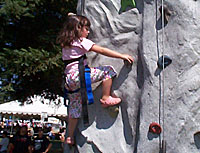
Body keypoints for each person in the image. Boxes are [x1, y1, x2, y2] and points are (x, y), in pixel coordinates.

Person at [56, 14, 134, 145]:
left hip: (69, 80)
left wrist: (72, 16)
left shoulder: (66, 43)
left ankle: (70, 136)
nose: (88, 31)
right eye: (86, 28)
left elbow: (71, 21)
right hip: (79, 76)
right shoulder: (81, 42)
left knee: (75, 108)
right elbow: (102, 50)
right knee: (108, 71)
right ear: (78, 29)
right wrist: (121, 55)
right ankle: (105, 97)